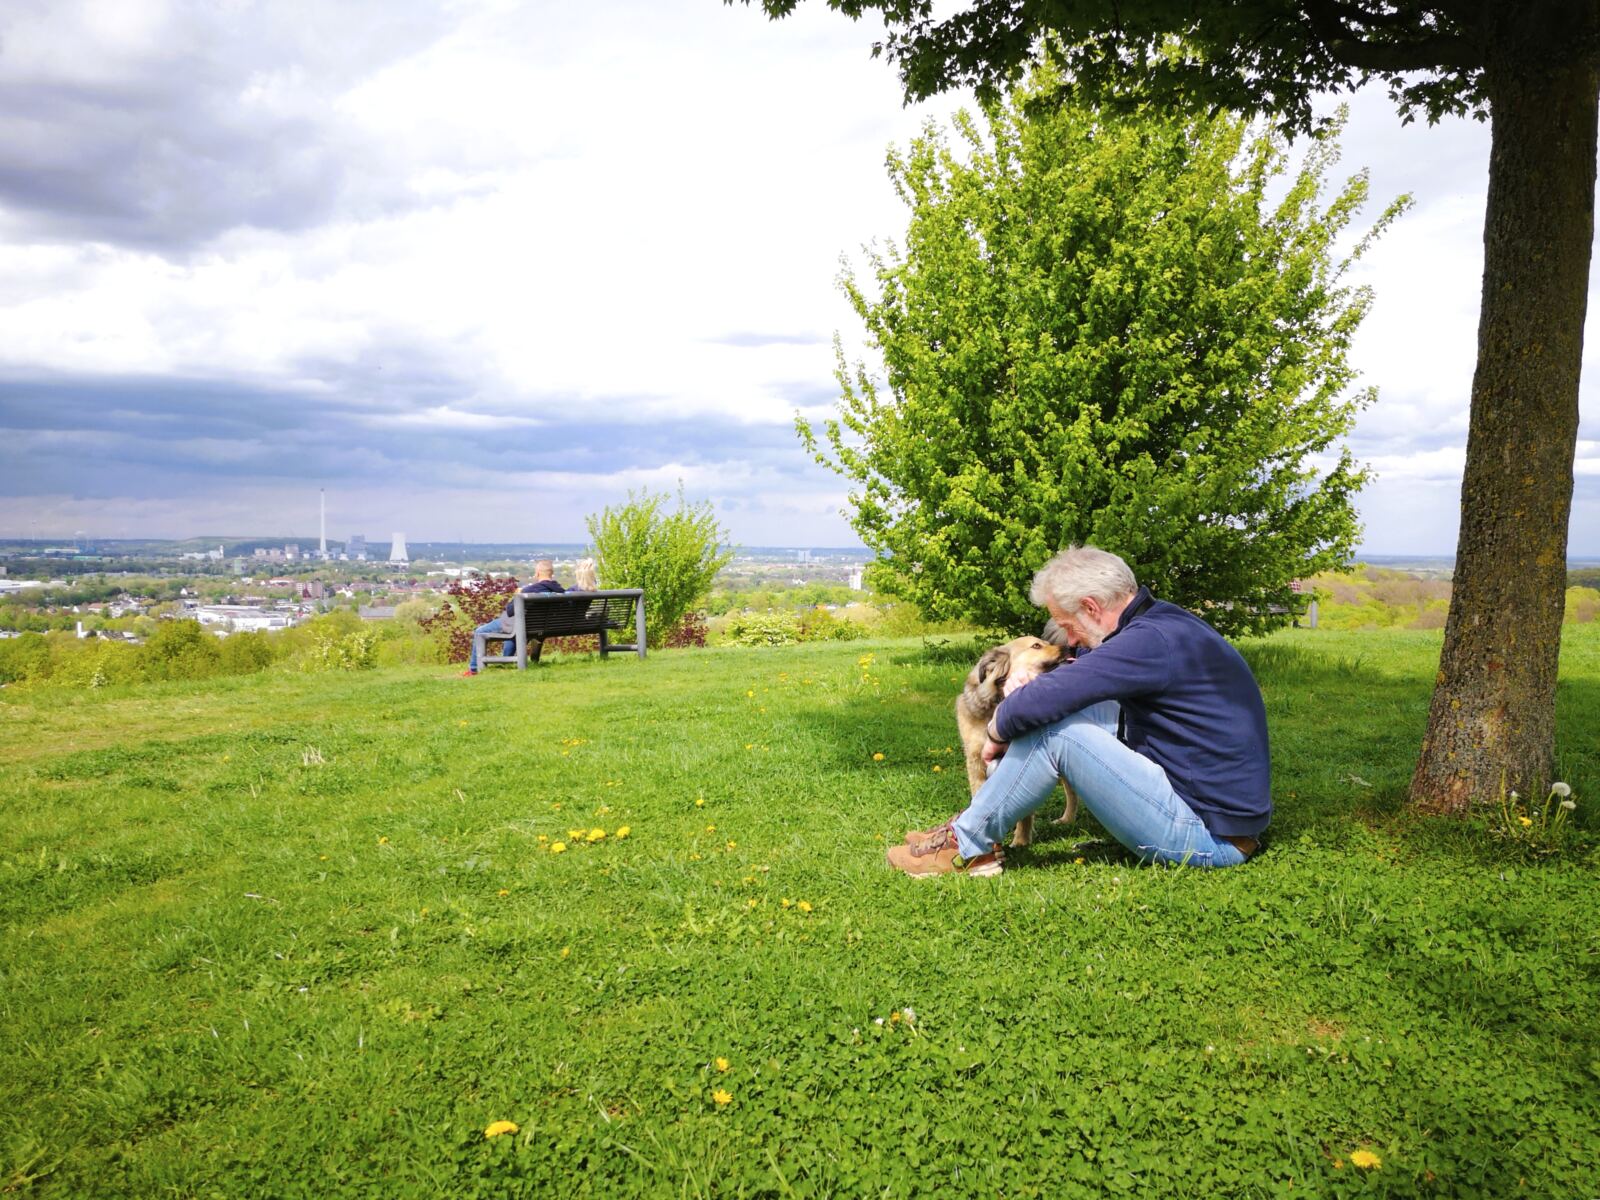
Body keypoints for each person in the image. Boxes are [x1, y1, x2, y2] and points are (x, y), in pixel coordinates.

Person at [887, 545, 1271, 876]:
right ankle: (973, 830)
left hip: (1208, 838)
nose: (1069, 640)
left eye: (1068, 626)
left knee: (1055, 731)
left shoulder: (1149, 641)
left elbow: (1041, 703)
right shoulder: (1160, 626)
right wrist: (1032, 689)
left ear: (1091, 606)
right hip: (1209, 817)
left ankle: (968, 845)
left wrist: (995, 731)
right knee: (1054, 715)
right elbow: (1071, 681)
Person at [463, 559, 566, 675]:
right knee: (516, 630)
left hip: (519, 625)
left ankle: (473, 669)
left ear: (537, 573)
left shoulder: (530, 590)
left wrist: (518, 594)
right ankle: (505, 663)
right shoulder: (561, 591)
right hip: (540, 626)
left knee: (479, 631)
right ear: (551, 573)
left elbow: (510, 610)